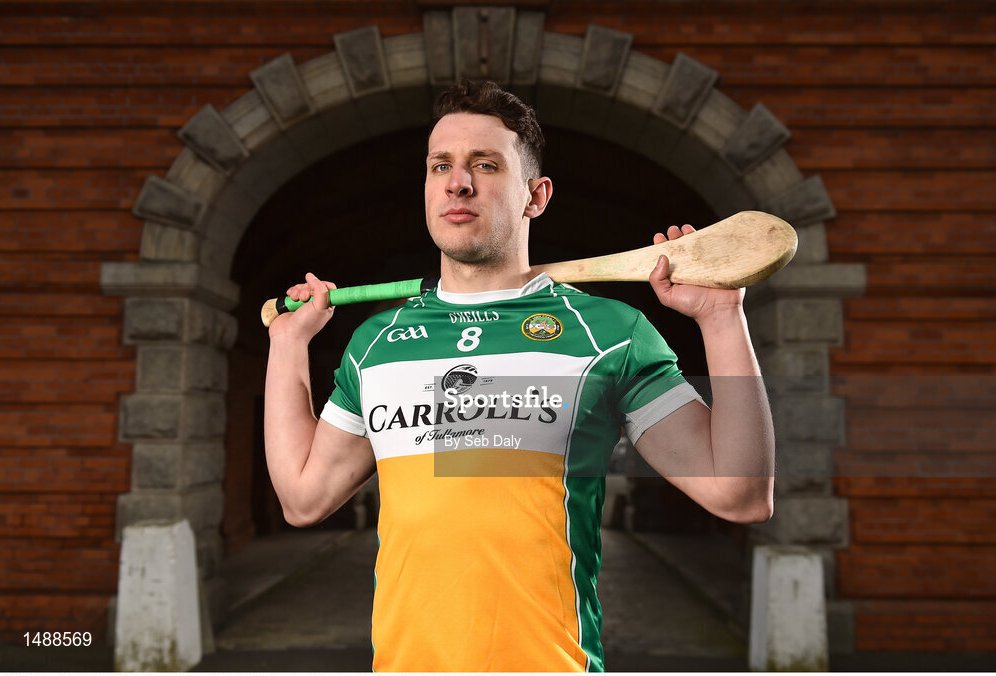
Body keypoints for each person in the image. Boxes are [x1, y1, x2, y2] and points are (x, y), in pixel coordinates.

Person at [263, 79, 774, 672]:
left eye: (485, 164)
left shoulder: (607, 332)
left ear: (536, 195)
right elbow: (302, 499)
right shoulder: (376, 342)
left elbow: (739, 493)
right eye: (440, 167)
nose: (459, 182)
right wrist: (287, 347)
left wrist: (721, 317)